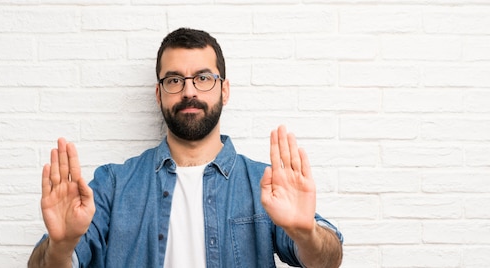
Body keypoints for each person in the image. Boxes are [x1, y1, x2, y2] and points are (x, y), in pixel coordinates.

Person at [28, 27, 343, 268]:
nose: (189, 91)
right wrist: (61, 245)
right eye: (174, 80)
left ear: (225, 89)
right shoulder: (113, 184)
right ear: (159, 93)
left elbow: (325, 260)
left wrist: (306, 234)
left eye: (203, 78)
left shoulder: (266, 184)